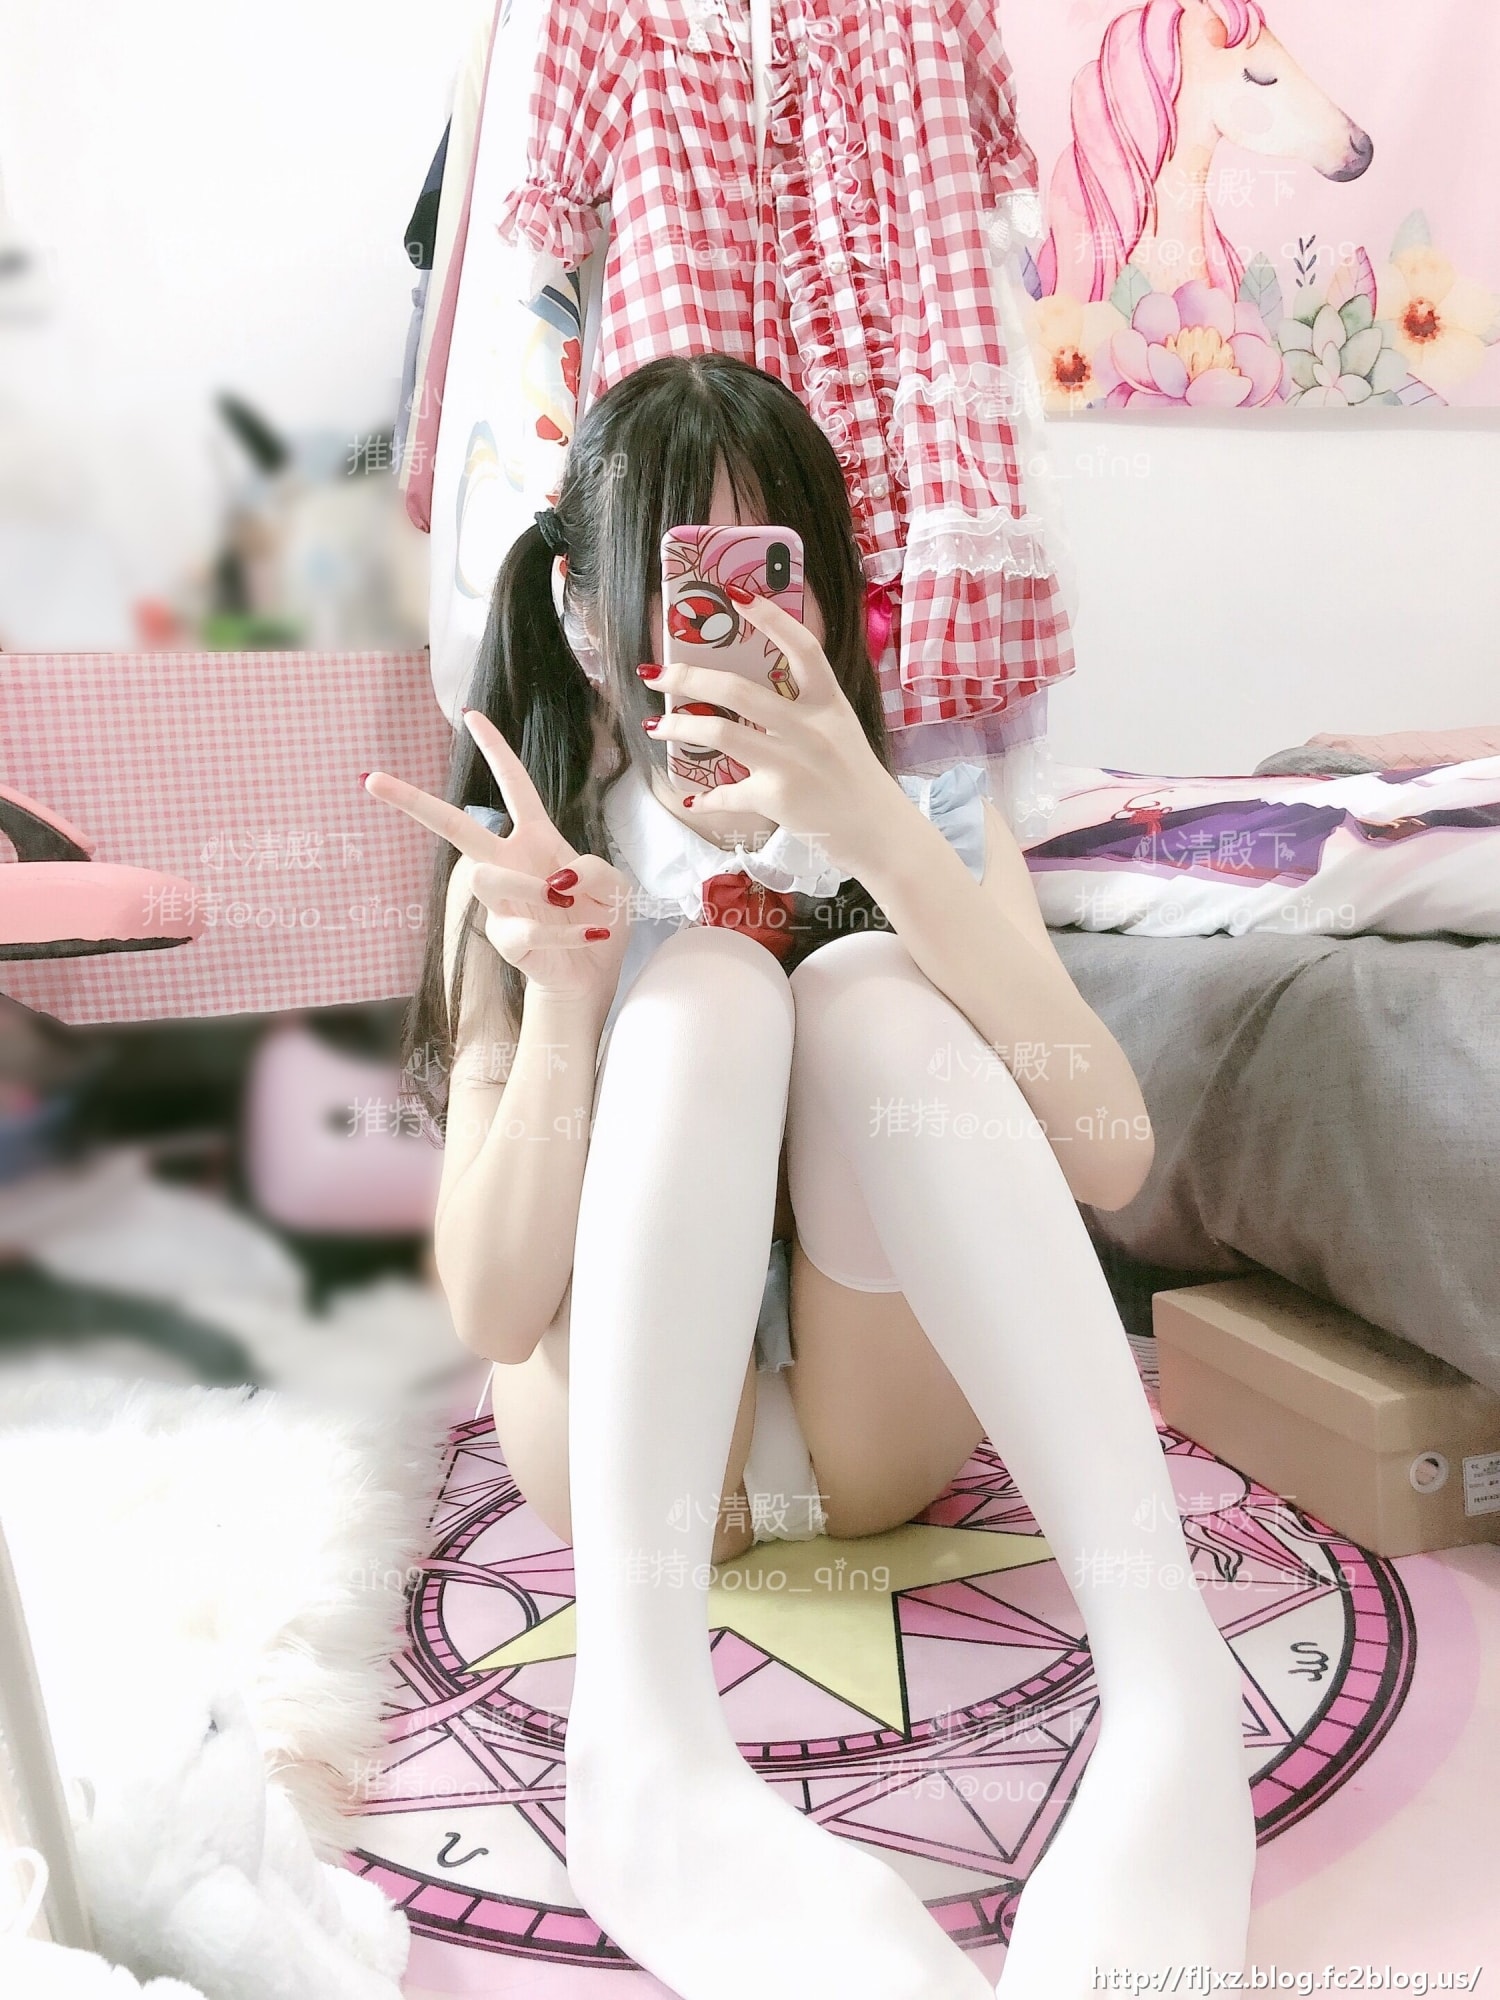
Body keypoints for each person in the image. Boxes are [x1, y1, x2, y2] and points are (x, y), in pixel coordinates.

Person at [364, 354, 1253, 2000]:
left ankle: (1170, 1692)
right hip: (633, 1474)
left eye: (774, 568)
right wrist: (564, 1001)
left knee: (864, 994)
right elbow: (490, 1306)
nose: (736, 622)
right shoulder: (536, 847)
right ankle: (641, 1744)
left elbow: (1111, 1152)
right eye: (685, 575)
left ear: (829, 590)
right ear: (584, 611)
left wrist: (883, 840)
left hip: (874, 1442)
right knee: (705, 992)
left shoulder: (930, 813)